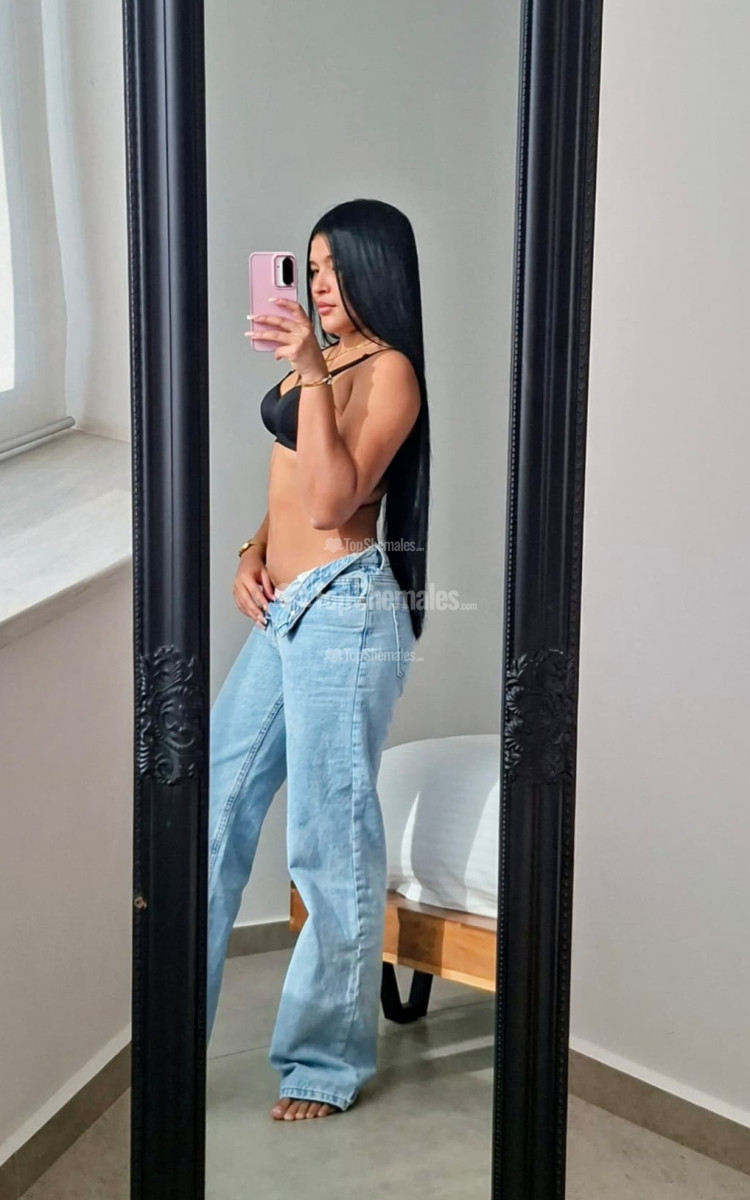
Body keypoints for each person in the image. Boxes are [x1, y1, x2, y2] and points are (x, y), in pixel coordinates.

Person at [207, 198, 431, 1122]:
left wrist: (306, 371)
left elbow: (336, 502)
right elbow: (290, 490)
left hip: (345, 611)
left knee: (327, 839)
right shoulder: (327, 358)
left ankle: (322, 1063)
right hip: (284, 607)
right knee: (210, 808)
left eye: (337, 266)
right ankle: (172, 1024)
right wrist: (252, 550)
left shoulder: (391, 370)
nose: (321, 283)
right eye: (313, 265)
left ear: (378, 269)